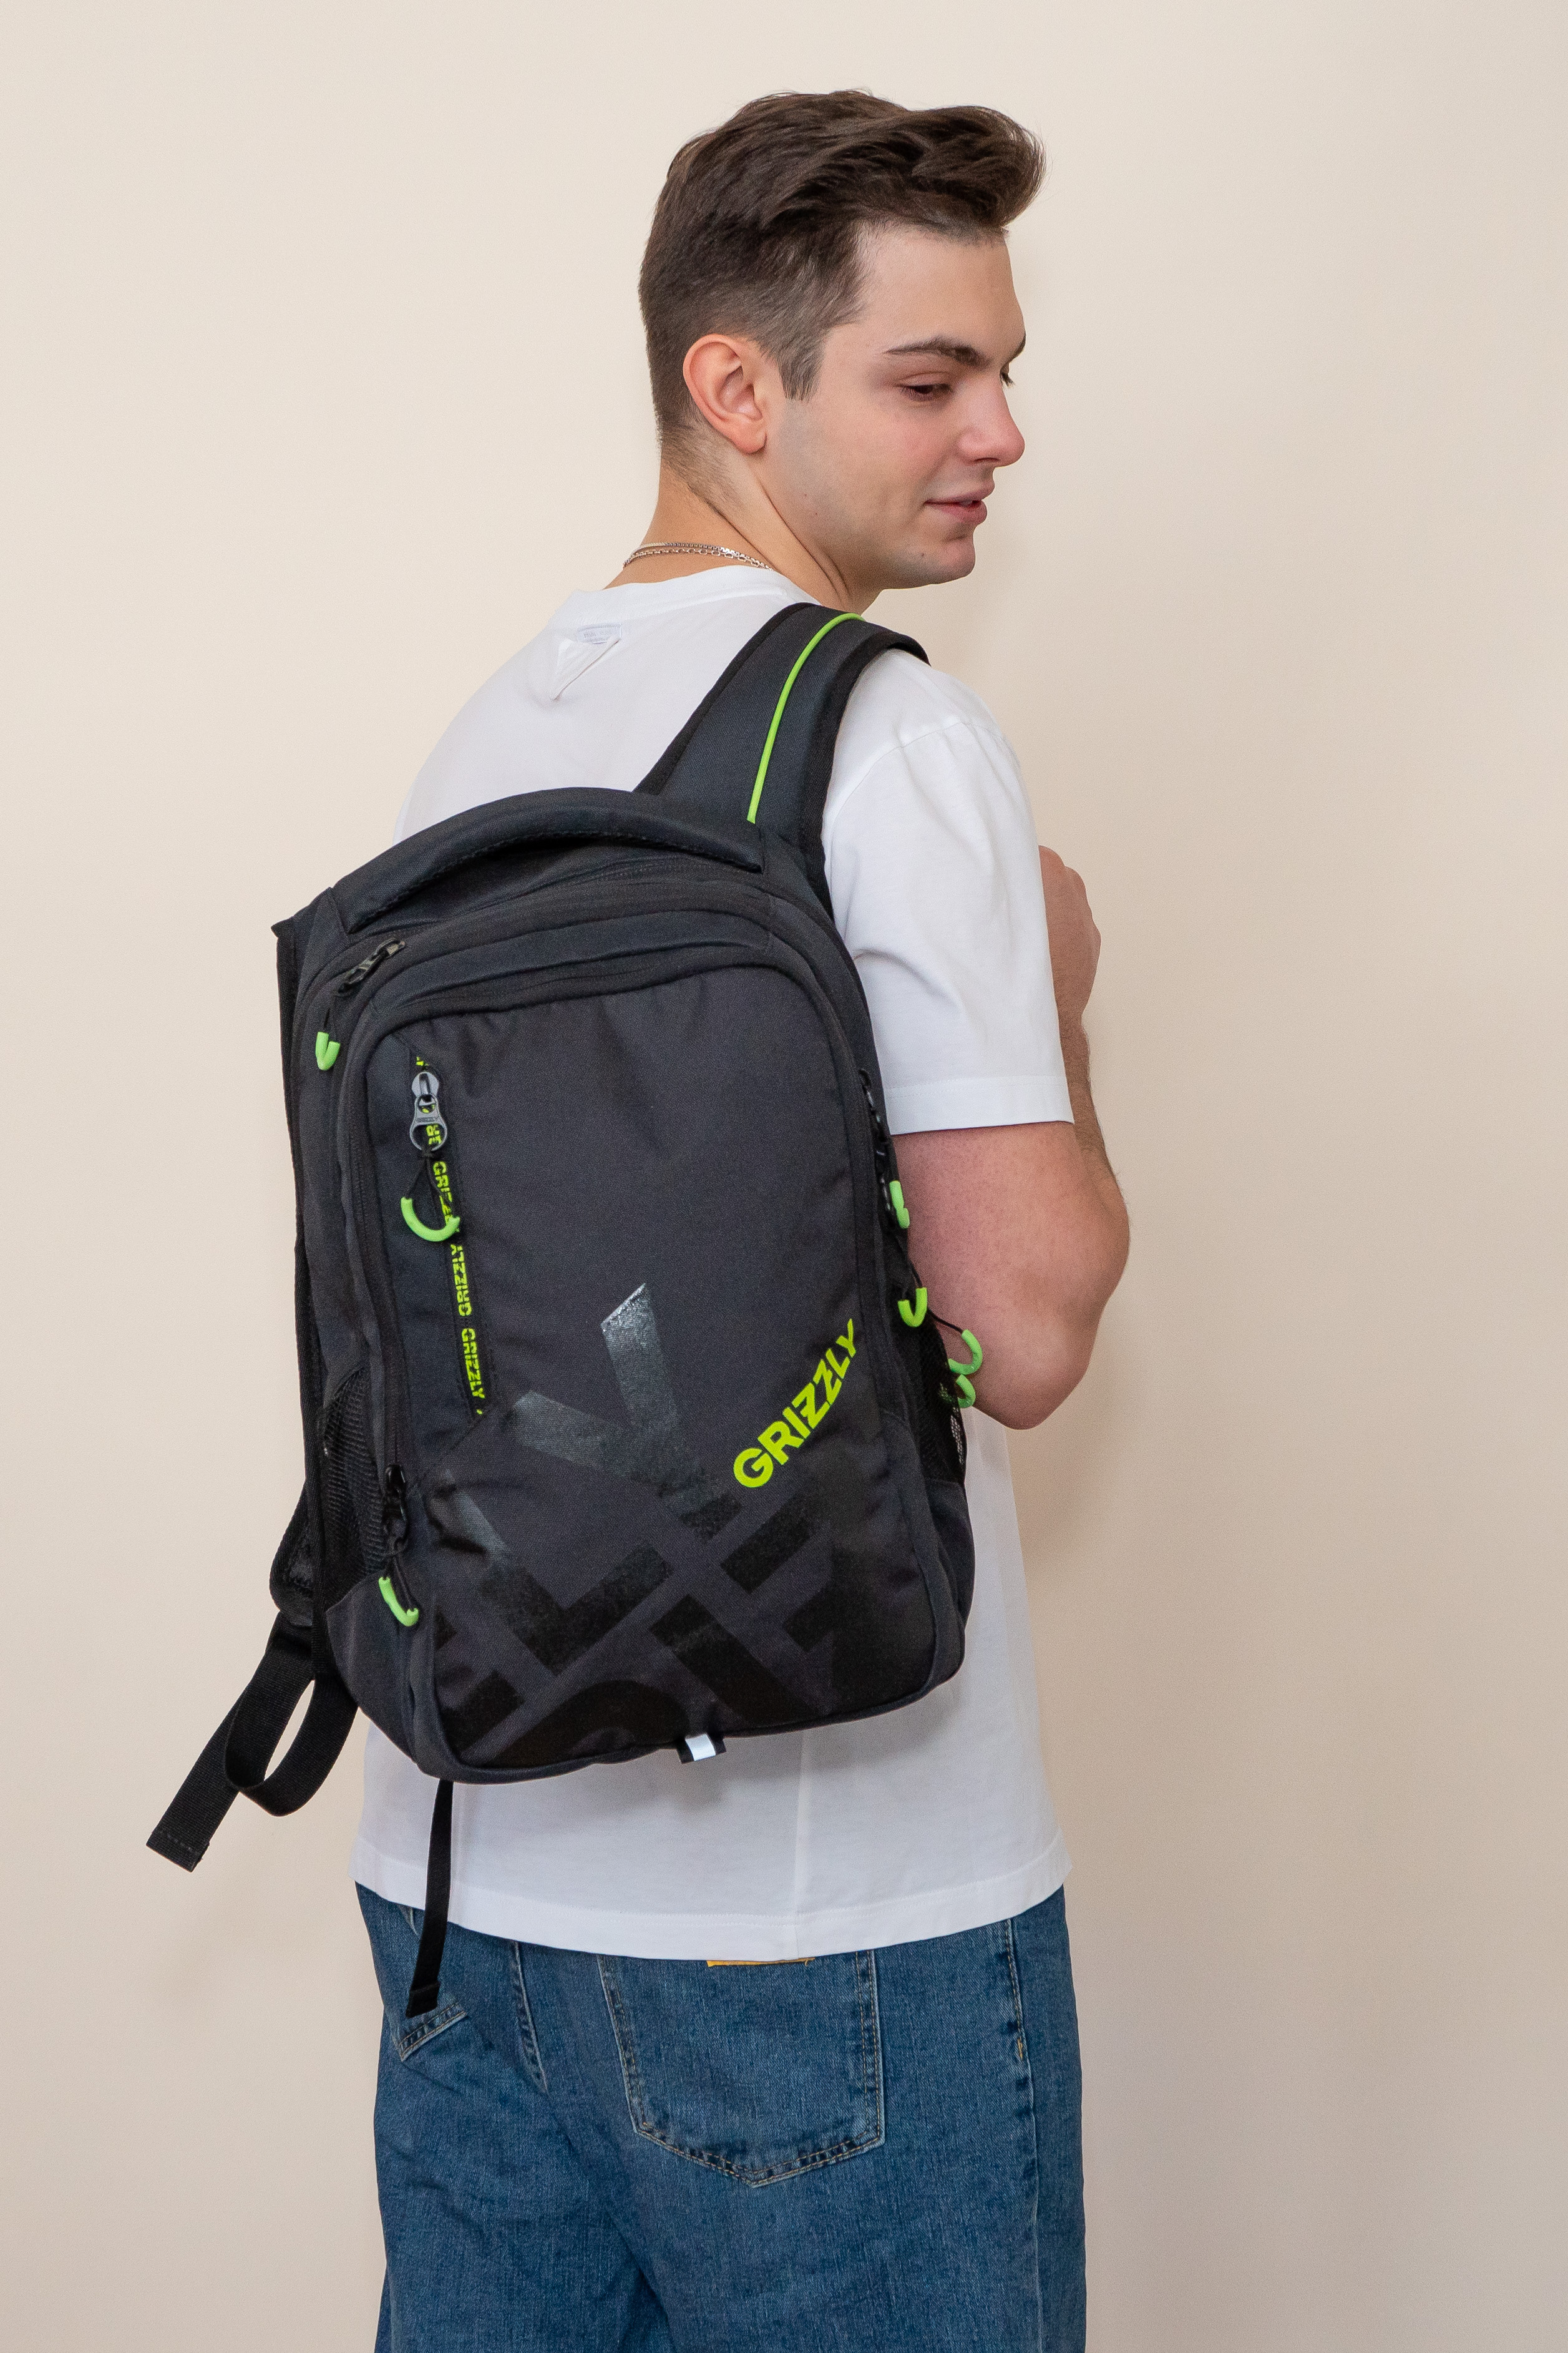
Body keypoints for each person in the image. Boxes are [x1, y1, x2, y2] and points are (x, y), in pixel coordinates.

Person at [354, 90, 1129, 2353]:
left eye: (1002, 371)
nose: (999, 430)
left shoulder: (486, 743)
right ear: (735, 384)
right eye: (930, 376)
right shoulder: (883, 739)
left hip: (463, 1874)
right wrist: (1063, 1004)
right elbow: (1025, 1332)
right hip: (830, 1921)